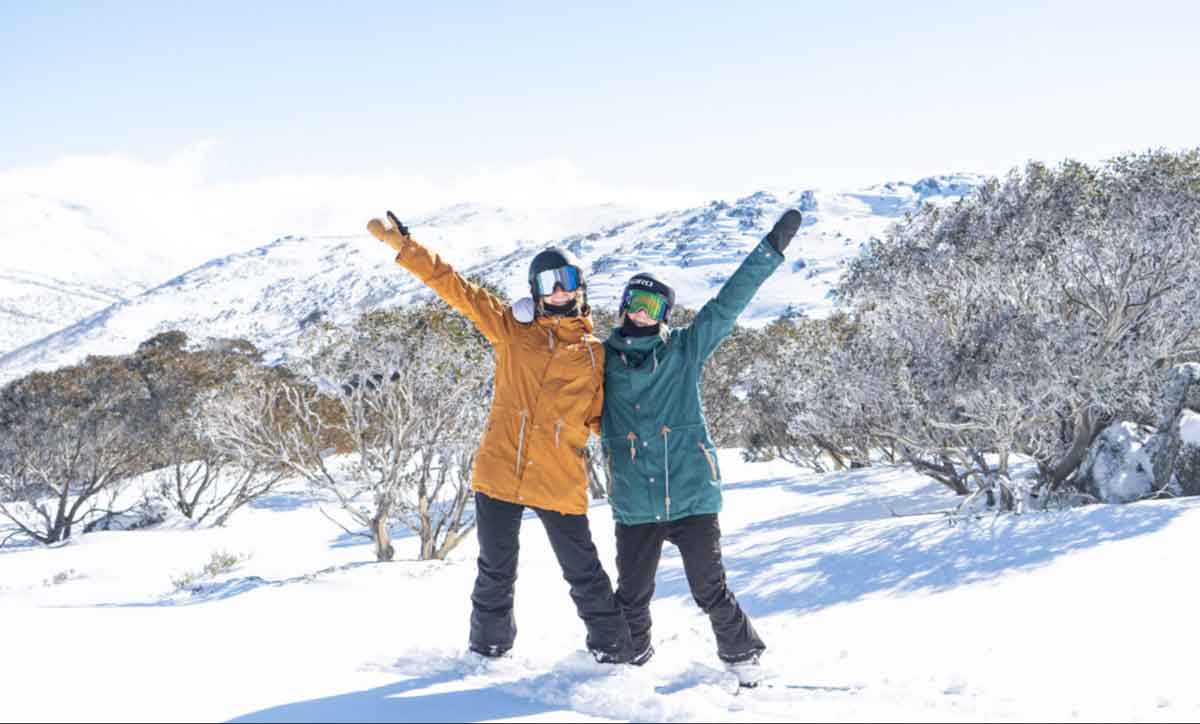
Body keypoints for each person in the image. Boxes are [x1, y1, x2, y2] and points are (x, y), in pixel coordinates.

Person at [367, 211, 634, 664]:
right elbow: (456, 288)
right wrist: (406, 247)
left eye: (567, 279)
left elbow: (604, 418)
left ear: (581, 286)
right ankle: (488, 649)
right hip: (499, 470)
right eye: (548, 282)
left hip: (557, 477)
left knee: (583, 571)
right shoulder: (512, 330)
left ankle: (612, 651)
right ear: (536, 290)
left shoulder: (594, 355)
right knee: (495, 570)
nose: (559, 290)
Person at [599, 209, 802, 686]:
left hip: (691, 495)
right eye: (634, 301)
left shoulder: (684, 350)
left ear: (665, 314)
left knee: (710, 591)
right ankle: (633, 663)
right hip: (635, 503)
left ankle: (741, 656)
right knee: (631, 597)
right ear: (622, 305)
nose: (640, 313)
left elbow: (728, 304)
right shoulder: (600, 358)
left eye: (652, 305)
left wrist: (771, 249)